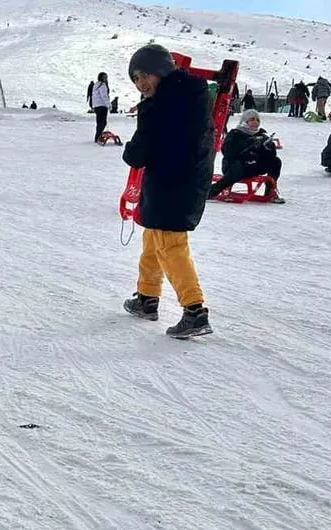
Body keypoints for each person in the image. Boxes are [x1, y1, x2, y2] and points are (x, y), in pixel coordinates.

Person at [121, 44, 214, 339]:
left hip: (172, 184)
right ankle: (147, 298)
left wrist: (131, 150)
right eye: (135, 79)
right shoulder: (189, 96)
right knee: (153, 237)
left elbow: (141, 151)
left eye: (143, 75)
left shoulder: (161, 105)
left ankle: (195, 311)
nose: (140, 83)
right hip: (184, 181)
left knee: (170, 245)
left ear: (159, 70)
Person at [209, 110, 284, 202]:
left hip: (253, 166)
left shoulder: (262, 136)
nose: (255, 122)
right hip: (235, 166)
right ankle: (213, 190)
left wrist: (268, 148)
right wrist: (247, 144)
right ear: (245, 121)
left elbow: (269, 158)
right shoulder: (235, 134)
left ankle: (269, 190)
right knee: (237, 166)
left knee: (276, 161)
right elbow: (228, 153)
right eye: (252, 119)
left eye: (257, 120)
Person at [91, 71, 110, 143]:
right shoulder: (102, 85)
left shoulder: (96, 85)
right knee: (103, 122)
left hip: (97, 106)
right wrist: (108, 105)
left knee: (99, 122)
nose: (106, 78)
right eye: (104, 77)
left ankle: (98, 136)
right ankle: (98, 136)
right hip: (102, 105)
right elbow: (104, 96)